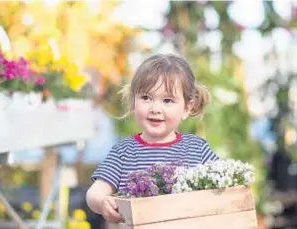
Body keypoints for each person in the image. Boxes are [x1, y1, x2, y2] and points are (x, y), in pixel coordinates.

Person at [85, 54, 219, 224]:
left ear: (187, 107)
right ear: (133, 101)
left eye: (168, 100)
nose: (155, 108)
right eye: (146, 98)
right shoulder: (124, 151)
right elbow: (95, 192)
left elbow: (224, 188)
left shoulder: (196, 148)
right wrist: (102, 202)